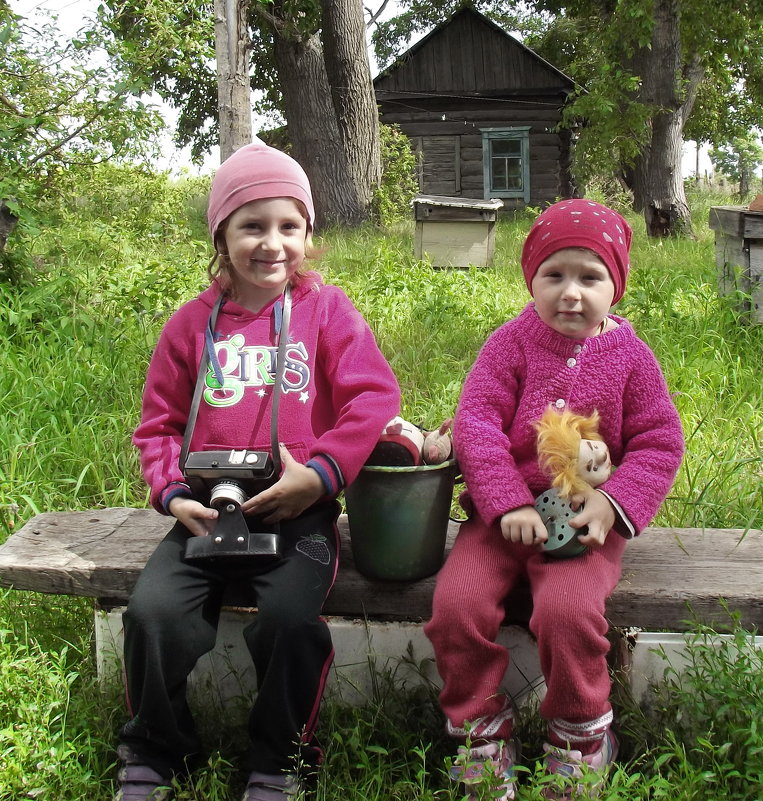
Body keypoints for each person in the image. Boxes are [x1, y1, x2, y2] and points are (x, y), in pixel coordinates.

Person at [115, 141, 401, 801]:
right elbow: (157, 424)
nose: (272, 243)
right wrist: (170, 494)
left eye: (288, 226)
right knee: (152, 614)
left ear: (307, 232)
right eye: (252, 225)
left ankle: (279, 757)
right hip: (206, 508)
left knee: (287, 623)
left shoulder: (326, 313)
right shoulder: (190, 326)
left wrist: (323, 474)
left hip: (297, 507)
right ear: (221, 233)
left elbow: (373, 398)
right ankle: (158, 750)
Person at [424, 199, 684, 800]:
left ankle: (580, 735)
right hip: (503, 519)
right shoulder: (510, 344)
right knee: (455, 607)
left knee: (568, 615)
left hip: (585, 518)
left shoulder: (631, 359)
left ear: (615, 286)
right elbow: (478, 423)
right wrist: (507, 502)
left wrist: (612, 503)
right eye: (554, 276)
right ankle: (480, 728)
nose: (571, 293)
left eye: (590, 277)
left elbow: (659, 441)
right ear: (531, 280)